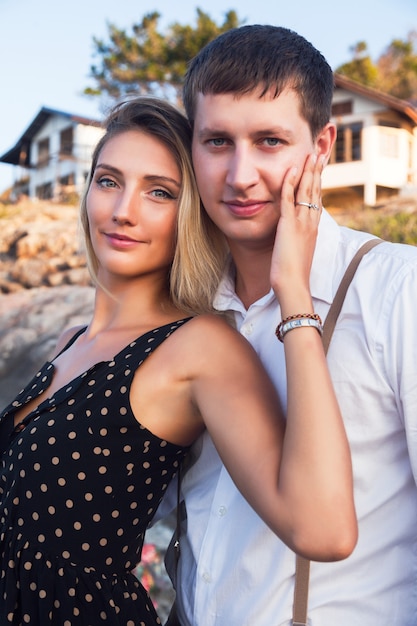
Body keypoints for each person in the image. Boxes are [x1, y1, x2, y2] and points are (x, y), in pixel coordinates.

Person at [0, 96, 356, 626]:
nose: (124, 210)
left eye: (159, 192)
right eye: (109, 181)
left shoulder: (198, 345)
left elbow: (324, 530)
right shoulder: (70, 342)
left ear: (190, 213)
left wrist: (293, 293)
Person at [162, 23, 417, 626]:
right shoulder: (185, 310)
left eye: (270, 141)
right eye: (217, 142)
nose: (240, 174)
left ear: (322, 146)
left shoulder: (396, 288)